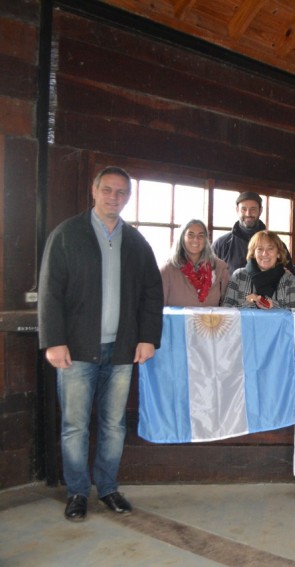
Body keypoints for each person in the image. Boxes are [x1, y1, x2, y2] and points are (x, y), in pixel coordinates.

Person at [38, 166, 163, 522]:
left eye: (122, 192)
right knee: (75, 425)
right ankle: (77, 492)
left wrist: (148, 338)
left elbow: (152, 295)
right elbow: (50, 291)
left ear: (129, 198)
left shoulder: (137, 243)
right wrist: (54, 342)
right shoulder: (67, 235)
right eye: (107, 190)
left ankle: (107, 488)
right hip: (76, 350)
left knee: (113, 424)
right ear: (94, 192)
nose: (114, 197)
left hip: (122, 350)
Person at [222, 230, 295, 309]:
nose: (265, 254)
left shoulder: (289, 280)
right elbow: (226, 311)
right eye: (260, 249)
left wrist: (272, 305)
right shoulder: (239, 276)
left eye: (270, 249)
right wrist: (249, 303)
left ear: (279, 253)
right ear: (253, 253)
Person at [160, 220, 230, 307]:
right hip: (176, 321)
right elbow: (158, 307)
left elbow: (229, 306)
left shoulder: (220, 268)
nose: (196, 239)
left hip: (211, 321)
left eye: (201, 235)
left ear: (206, 240)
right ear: (182, 237)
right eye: (190, 235)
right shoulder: (167, 269)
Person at [212, 191, 267, 274]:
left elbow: (289, 279)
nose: (248, 213)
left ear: (260, 210)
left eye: (253, 209)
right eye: (243, 209)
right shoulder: (221, 244)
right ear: (237, 210)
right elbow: (206, 278)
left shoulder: (275, 244)